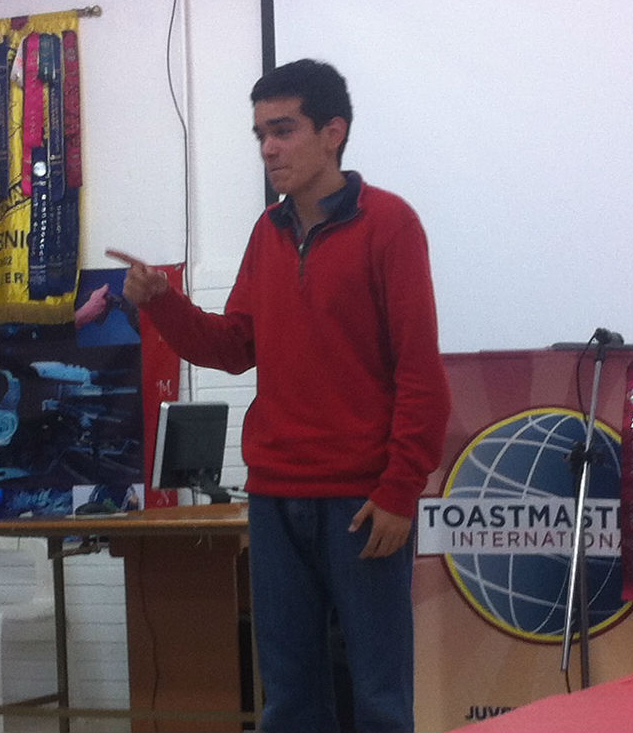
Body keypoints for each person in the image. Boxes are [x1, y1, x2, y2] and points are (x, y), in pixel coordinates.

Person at [107, 59, 451, 733]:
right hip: (273, 496)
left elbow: (419, 373)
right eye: (260, 134)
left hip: (361, 501)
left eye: (284, 130)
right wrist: (163, 302)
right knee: (289, 698)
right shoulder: (268, 231)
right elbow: (234, 347)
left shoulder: (390, 224)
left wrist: (399, 490)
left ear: (333, 132)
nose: (268, 148)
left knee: (379, 697)